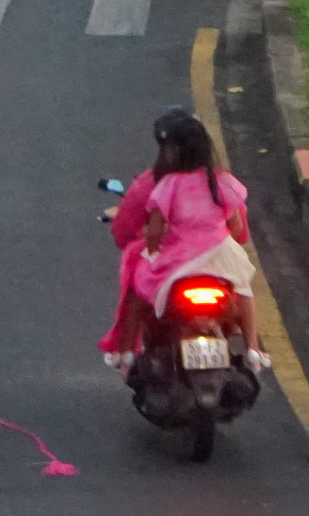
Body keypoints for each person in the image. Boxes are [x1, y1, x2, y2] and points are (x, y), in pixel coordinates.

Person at [98, 110, 269, 373]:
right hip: (221, 255)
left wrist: (152, 251)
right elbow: (237, 228)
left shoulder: (163, 184)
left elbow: (150, 231)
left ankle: (126, 351)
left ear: (169, 151)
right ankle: (253, 348)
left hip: (179, 258)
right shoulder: (220, 181)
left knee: (137, 290)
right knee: (245, 291)